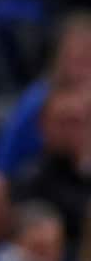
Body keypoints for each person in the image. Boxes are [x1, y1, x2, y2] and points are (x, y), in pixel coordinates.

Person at [0, 11, 91, 177]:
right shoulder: (37, 100)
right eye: (79, 57)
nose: (86, 67)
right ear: (60, 59)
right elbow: (4, 163)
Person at [15, 86, 91, 248]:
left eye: (77, 121)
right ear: (43, 126)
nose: (70, 130)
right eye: (62, 122)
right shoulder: (30, 177)